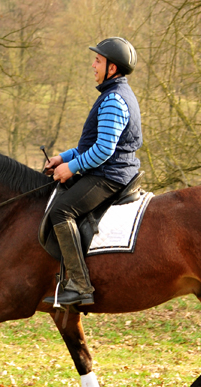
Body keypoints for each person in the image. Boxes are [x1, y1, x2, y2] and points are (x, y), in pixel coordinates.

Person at [43, 37, 142, 307]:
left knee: (61, 211)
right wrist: (62, 157)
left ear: (112, 68)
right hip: (111, 169)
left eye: (98, 60)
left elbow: (103, 151)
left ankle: (79, 285)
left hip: (110, 175)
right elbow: (92, 145)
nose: (93, 65)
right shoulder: (116, 94)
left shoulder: (113, 100)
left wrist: (70, 168)